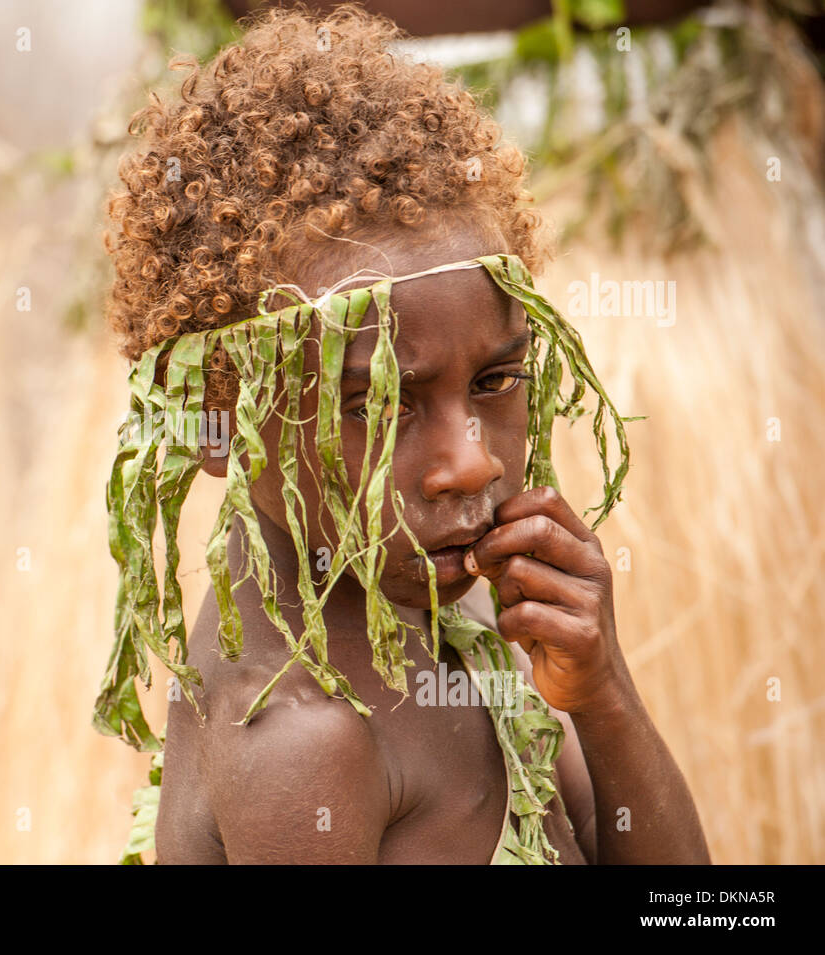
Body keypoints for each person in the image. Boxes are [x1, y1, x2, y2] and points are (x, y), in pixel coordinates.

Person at [96, 3, 708, 864]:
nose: (473, 461)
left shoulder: (454, 606)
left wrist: (603, 694)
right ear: (220, 422)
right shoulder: (307, 747)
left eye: (495, 381)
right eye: (380, 403)